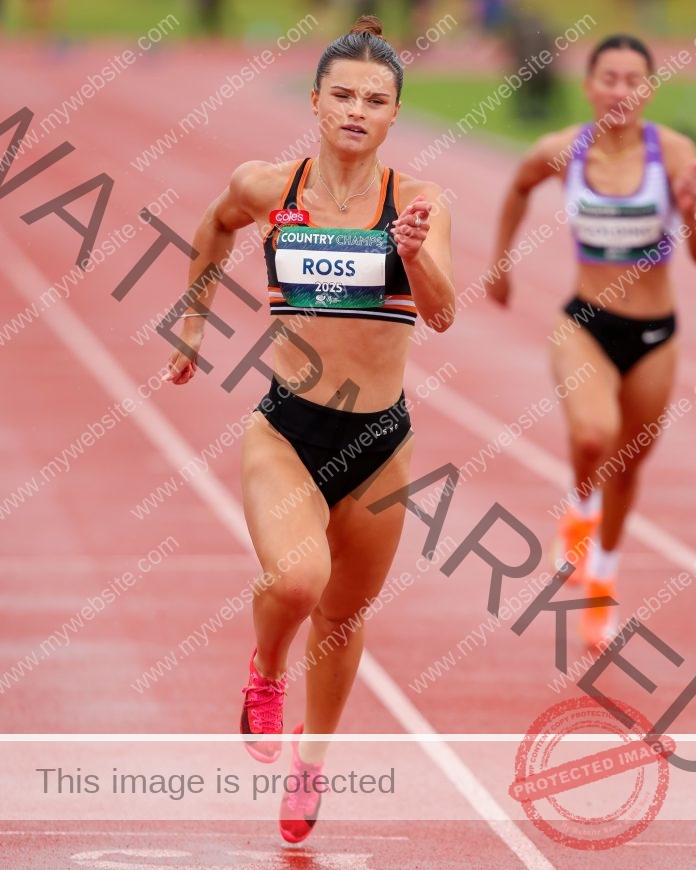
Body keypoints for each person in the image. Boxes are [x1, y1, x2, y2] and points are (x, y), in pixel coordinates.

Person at [162, 15, 454, 842]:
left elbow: (445, 315)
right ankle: (264, 671)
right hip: (287, 428)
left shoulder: (421, 204)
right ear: (318, 102)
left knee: (343, 616)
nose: (359, 109)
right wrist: (192, 320)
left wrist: (418, 254)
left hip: (380, 442)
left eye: (378, 98)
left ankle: (311, 766)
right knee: (298, 583)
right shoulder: (269, 188)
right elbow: (216, 223)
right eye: (345, 94)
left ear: (395, 113)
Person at [488, 34, 696, 647]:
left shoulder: (677, 156)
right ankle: (580, 510)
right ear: (588, 84)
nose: (620, 91)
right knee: (592, 435)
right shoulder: (562, 151)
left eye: (634, 80)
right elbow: (519, 186)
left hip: (654, 333)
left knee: (629, 465)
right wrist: (501, 262)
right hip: (584, 322)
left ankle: (602, 582)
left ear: (650, 89)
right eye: (609, 78)